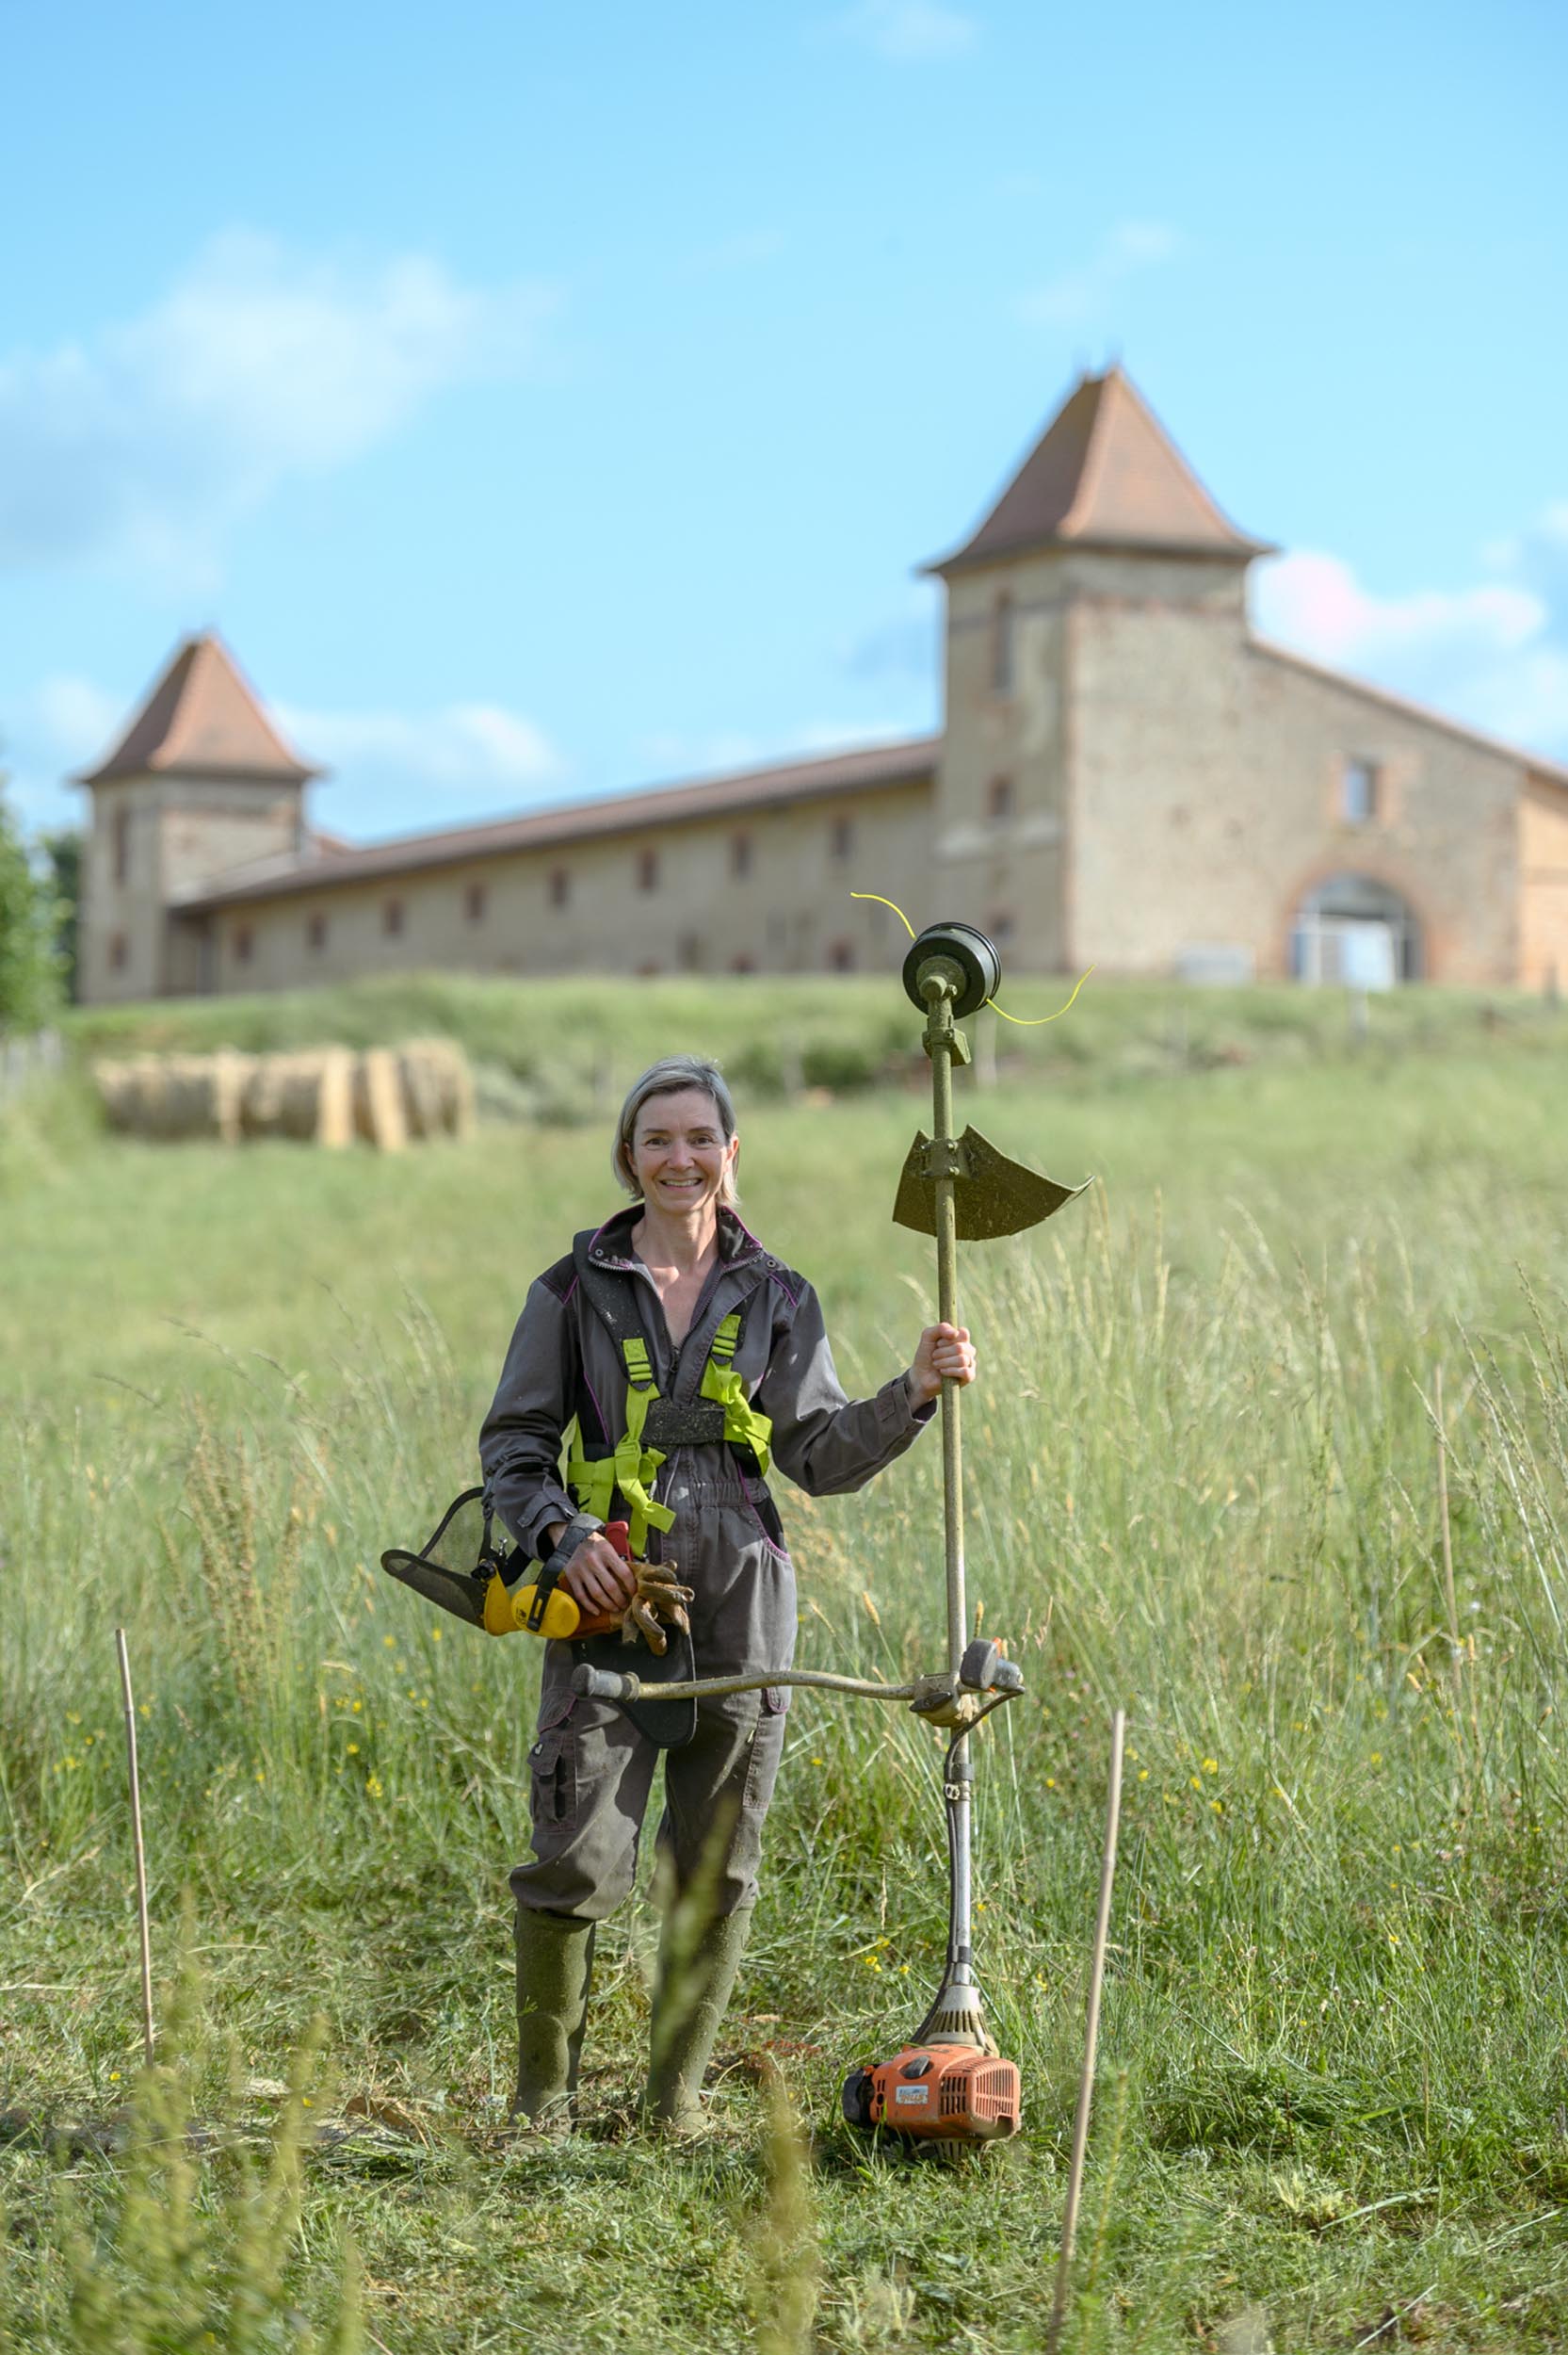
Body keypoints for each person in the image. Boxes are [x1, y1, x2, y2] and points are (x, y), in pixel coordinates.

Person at [478, 1053, 977, 2136]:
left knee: (716, 1864)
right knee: (576, 1858)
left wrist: (915, 1392)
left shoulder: (779, 1295)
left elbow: (824, 1454)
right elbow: (513, 1449)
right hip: (610, 1601)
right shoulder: (570, 1292)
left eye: (700, 1138)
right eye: (657, 1138)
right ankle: (538, 2111)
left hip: (746, 1606)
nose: (680, 1157)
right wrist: (566, 1544)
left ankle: (673, 2107)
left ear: (731, 1154)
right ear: (627, 1156)